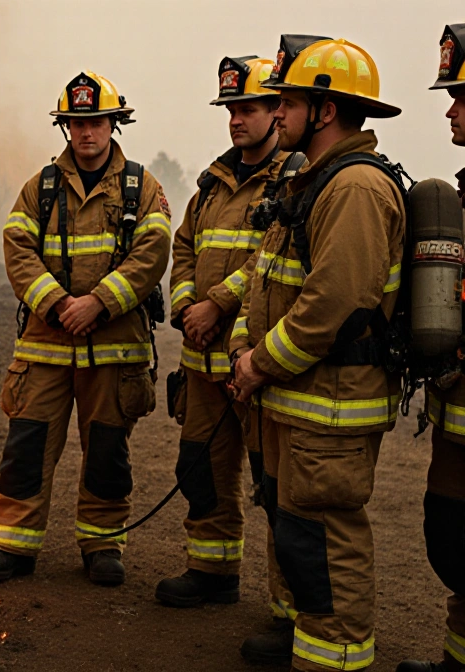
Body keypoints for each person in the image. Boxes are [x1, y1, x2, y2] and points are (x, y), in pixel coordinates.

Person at [228, 35, 405, 671]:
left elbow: (332, 303)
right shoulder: (314, 179)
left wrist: (258, 363)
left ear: (323, 111)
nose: (275, 114)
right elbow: (268, 276)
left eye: (288, 102)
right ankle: (306, 633)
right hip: (299, 399)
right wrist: (247, 346)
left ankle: (335, 658)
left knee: (326, 538)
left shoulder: (355, 188)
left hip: (331, 404)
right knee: (296, 529)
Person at [0, 71, 170, 587]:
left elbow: (152, 255)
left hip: (113, 349)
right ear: (66, 127)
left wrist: (100, 304)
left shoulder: (141, 187)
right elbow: (16, 251)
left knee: (107, 452)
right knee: (26, 447)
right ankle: (12, 545)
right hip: (46, 346)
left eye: (97, 121)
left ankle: (103, 546)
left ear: (113, 124)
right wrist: (60, 305)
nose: (87, 132)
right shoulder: (39, 187)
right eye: (77, 122)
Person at [157, 55, 302, 609]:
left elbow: (274, 256)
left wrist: (217, 304)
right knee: (202, 469)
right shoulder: (213, 184)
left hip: (258, 363)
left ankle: (288, 606)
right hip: (201, 361)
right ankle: (212, 572)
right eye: (230, 109)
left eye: (249, 108)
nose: (236, 119)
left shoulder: (294, 180)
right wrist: (189, 302)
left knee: (275, 486)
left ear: (277, 112)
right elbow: (185, 245)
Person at [396, 24, 465, 672]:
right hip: (455, 422)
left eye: (461, 97)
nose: (449, 109)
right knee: (454, 544)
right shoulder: (461, 194)